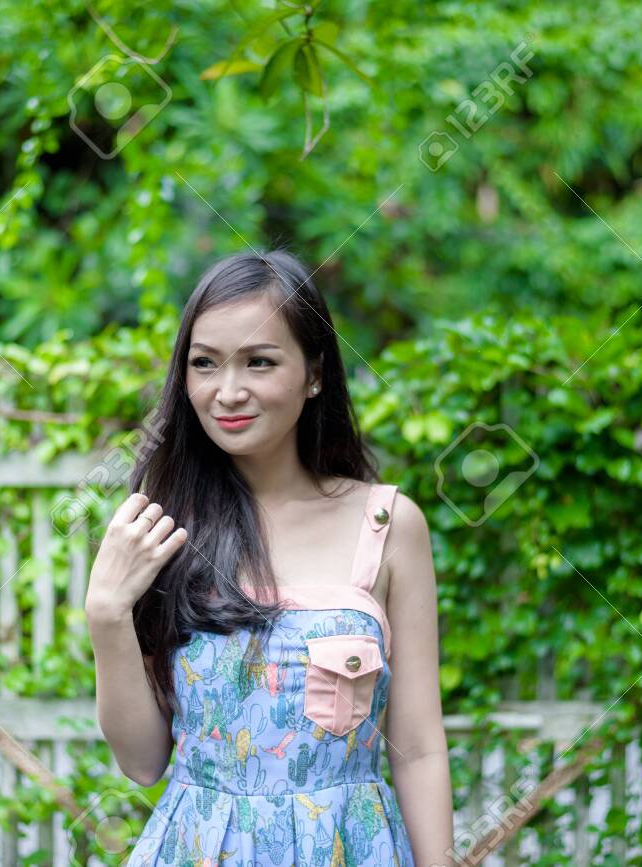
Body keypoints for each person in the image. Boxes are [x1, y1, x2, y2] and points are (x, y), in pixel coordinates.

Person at [83, 248, 454, 865]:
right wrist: (105, 614)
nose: (228, 391)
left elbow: (416, 746)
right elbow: (143, 762)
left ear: (314, 374)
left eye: (259, 362)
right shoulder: (163, 528)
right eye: (205, 364)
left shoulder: (387, 526)